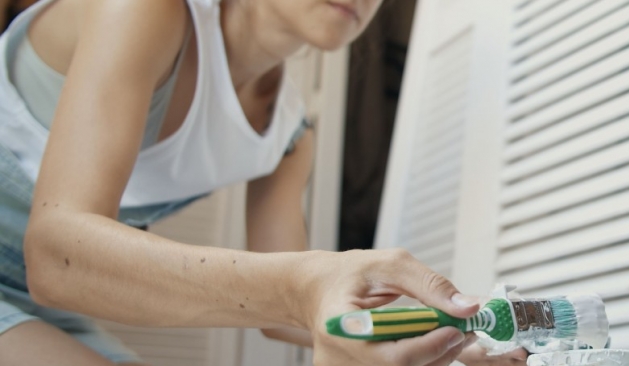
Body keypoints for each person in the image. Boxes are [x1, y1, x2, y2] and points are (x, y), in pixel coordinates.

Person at [0, 0, 529, 365]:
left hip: (42, 307)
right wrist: (302, 284)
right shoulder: (148, 11)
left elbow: (286, 319)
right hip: (43, 286)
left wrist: (445, 334)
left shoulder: (289, 136)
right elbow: (55, 254)